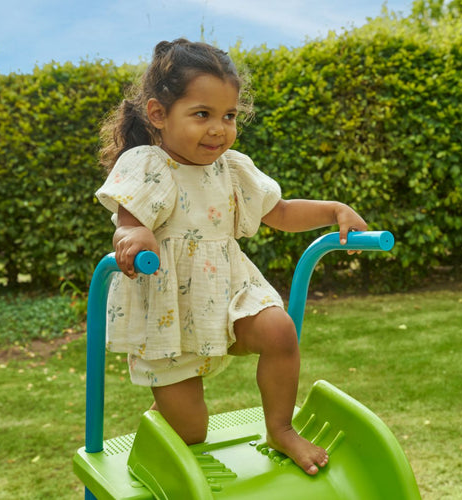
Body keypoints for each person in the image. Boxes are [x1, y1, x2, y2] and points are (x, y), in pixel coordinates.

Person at [96, 38, 367, 475]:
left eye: (229, 116)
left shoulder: (232, 168)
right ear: (158, 114)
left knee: (279, 331)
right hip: (169, 313)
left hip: (226, 296)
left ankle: (280, 428)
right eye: (202, 115)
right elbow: (129, 220)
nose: (219, 128)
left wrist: (331, 211)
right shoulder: (148, 165)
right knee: (191, 431)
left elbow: (279, 211)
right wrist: (135, 236)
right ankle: (157, 440)